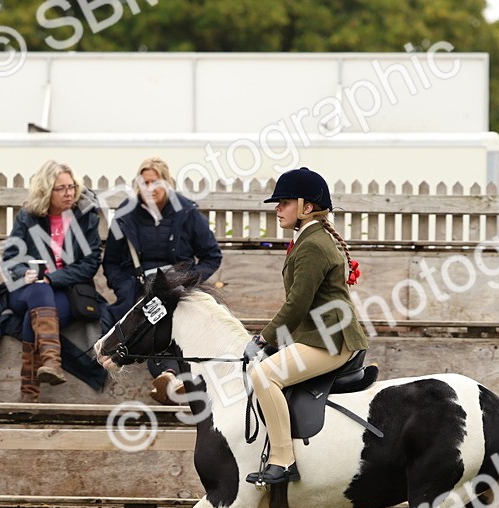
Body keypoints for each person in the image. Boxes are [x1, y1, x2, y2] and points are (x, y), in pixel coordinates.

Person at [245, 167, 369, 486]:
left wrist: (263, 339)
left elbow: (297, 304)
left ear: (306, 207)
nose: (277, 208)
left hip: (330, 341)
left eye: (284, 202)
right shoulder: (309, 238)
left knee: (263, 374)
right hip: (317, 336)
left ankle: (284, 460)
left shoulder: (313, 244)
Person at [102, 156, 222, 404]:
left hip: (178, 287)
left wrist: (188, 281)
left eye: (155, 182)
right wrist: (126, 289)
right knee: (151, 319)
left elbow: (212, 255)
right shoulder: (126, 214)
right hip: (139, 289)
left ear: (167, 183)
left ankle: (171, 375)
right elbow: (112, 262)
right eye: (144, 183)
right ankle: (171, 376)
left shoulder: (186, 212)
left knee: (171, 318)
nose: (149, 188)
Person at [1, 160, 105, 401]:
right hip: (25, 290)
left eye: (71, 187)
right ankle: (50, 361)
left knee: (33, 314)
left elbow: (90, 263)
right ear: (46, 190)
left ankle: (29, 391)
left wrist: (51, 278)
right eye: (61, 188)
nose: (69, 193)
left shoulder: (85, 215)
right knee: (38, 291)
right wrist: (24, 273)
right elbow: (10, 259)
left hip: (67, 290)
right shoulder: (28, 216)